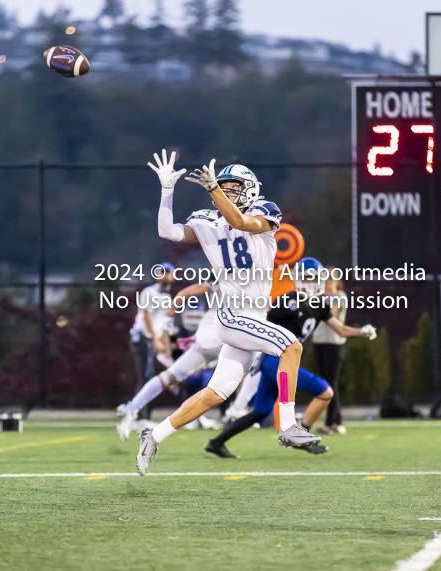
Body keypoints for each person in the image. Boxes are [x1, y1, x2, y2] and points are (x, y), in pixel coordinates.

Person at [136, 150, 318, 475]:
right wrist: (167, 191)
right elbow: (169, 232)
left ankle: (155, 434)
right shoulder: (207, 218)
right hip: (233, 314)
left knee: (215, 394)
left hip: (252, 318)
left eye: (234, 187)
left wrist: (214, 191)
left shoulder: (265, 210)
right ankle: (289, 425)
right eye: (225, 187)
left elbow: (240, 221)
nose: (228, 191)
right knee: (292, 345)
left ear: (250, 189)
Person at [204, 257, 376, 458]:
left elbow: (342, 330)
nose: (311, 283)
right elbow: (261, 326)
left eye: (314, 279)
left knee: (260, 411)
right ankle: (300, 437)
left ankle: (216, 442)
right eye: (307, 278)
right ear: (297, 279)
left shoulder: (321, 305)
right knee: (325, 391)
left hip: (278, 363)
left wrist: (361, 331)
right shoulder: (285, 301)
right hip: (274, 361)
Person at [117, 281, 222, 439]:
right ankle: (233, 412)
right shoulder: (246, 278)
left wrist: (169, 314)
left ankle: (132, 408)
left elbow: (184, 293)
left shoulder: (229, 275)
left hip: (208, 339)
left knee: (170, 376)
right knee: (225, 385)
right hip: (223, 339)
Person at [130, 262, 176, 418]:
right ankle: (139, 416)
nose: (165, 275)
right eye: (162, 272)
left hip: (153, 341)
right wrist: (155, 339)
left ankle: (143, 415)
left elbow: (164, 326)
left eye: (168, 272)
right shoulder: (149, 292)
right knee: (145, 377)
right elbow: (146, 315)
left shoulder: (167, 297)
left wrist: (167, 350)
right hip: (142, 339)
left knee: (151, 378)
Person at [313, 267, 348, 435]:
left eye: (329, 280)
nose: (325, 283)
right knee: (324, 384)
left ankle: (334, 422)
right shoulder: (317, 297)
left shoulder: (339, 297)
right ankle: (332, 420)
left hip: (334, 344)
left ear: (336, 282)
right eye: (323, 279)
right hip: (319, 342)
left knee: (331, 383)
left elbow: (330, 313)